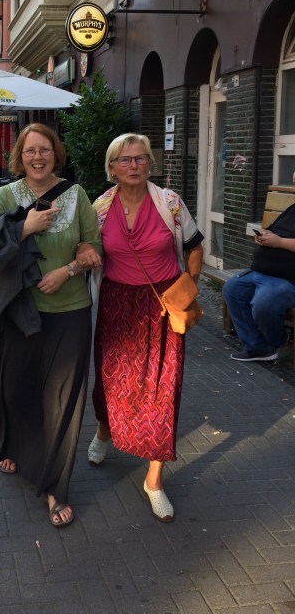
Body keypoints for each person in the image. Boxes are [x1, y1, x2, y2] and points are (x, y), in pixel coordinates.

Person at [0, 123, 102, 527]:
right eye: (30, 150)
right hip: (19, 310)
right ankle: (11, 443)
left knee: (63, 398)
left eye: (44, 149)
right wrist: (24, 228)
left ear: (55, 153)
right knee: (16, 387)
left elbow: (94, 247)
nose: (37, 157)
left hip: (70, 310)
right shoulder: (4, 196)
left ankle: (54, 487)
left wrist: (72, 265)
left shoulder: (77, 195)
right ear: (20, 156)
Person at [77, 133, 203, 522]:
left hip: (164, 305)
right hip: (118, 303)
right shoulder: (99, 208)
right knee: (111, 380)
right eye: (124, 160)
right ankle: (104, 431)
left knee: (163, 387)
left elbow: (195, 245)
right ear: (112, 168)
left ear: (151, 163)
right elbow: (85, 247)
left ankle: (154, 479)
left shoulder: (170, 203)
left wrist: (191, 284)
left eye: (140, 159)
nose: (133, 166)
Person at [223, 203, 295, 362]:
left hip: (287, 278)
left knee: (263, 304)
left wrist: (280, 242)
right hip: (260, 272)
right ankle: (258, 348)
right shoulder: (292, 208)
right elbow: (272, 230)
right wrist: (263, 236)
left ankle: (279, 339)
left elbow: (280, 240)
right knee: (232, 289)